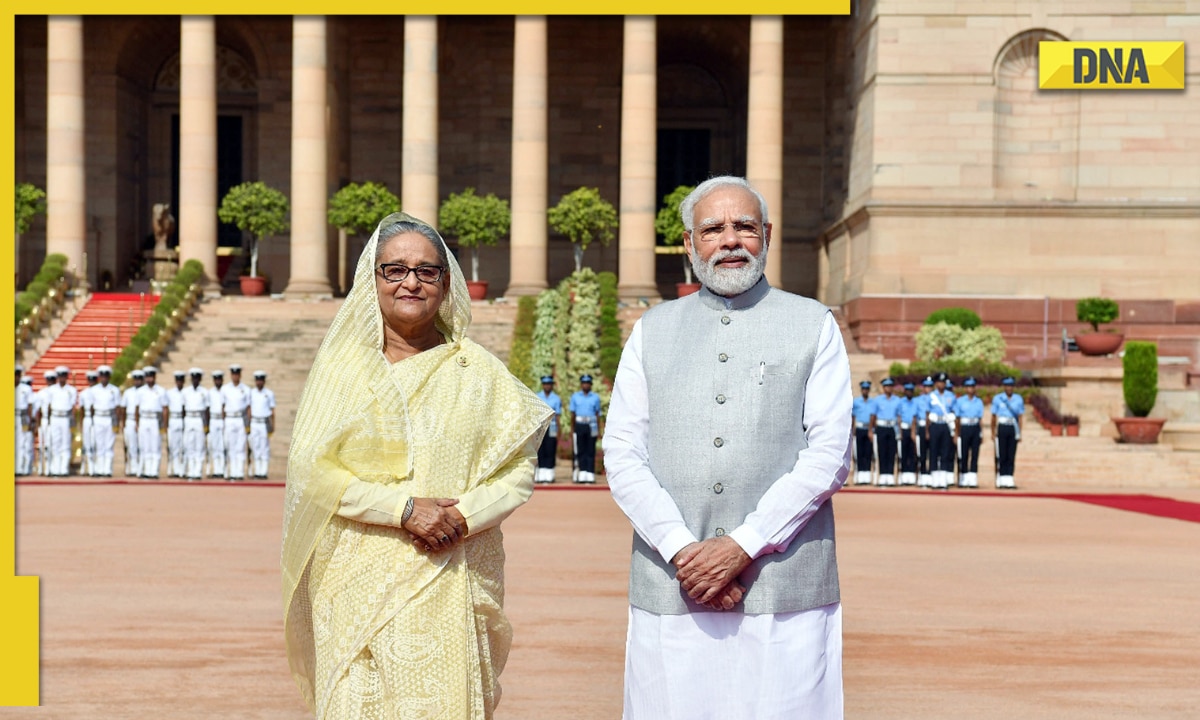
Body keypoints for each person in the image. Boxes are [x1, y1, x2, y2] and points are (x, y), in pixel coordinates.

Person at [283, 212, 552, 718]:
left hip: (451, 568)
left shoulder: (477, 371)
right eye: (395, 270)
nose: (411, 282)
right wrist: (403, 509)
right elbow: (312, 470)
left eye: (427, 272)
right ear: (373, 280)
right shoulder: (343, 373)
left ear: (446, 284)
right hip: (356, 581)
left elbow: (517, 468)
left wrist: (462, 516)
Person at [605, 176, 851, 718]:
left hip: (782, 583)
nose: (730, 240)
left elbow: (830, 453)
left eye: (744, 227)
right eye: (713, 229)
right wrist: (681, 550)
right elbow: (622, 452)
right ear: (690, 245)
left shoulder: (813, 324)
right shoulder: (651, 329)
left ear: (766, 235)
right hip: (673, 580)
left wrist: (743, 544)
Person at [924, 372, 956, 490]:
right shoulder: (931, 396)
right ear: (936, 383)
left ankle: (943, 480)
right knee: (933, 452)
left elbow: (954, 412)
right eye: (939, 382)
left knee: (945, 452)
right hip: (935, 425)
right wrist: (927, 431)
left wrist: (955, 431)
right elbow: (927, 414)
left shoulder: (950, 396)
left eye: (943, 382)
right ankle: (934, 480)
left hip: (945, 425)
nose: (941, 384)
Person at [991, 377, 1024, 489]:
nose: (1009, 388)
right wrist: (993, 431)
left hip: (1013, 426)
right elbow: (993, 416)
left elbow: (1020, 417)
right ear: (1004, 387)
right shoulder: (998, 398)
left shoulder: (1018, 399)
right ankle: (1001, 478)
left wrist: (1019, 432)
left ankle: (1009, 478)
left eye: (1011, 386)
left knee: (1011, 454)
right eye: (1007, 386)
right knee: (1002, 453)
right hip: (1002, 426)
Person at [135, 366, 168, 478]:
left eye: (151, 377)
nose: (149, 379)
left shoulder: (161, 391)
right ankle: (147, 470)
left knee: (155, 446)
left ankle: (154, 471)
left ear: (155, 377)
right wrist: (137, 423)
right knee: (145, 446)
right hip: (144, 418)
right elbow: (137, 408)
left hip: (155, 419)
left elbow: (165, 409)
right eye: (147, 377)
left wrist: (164, 424)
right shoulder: (140, 391)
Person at [45, 366, 78, 477]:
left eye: (64, 376)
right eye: (60, 376)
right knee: (55, 443)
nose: (61, 378)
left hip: (65, 418)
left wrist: (73, 422)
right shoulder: (51, 389)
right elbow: (49, 406)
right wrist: (49, 421)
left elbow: (73, 407)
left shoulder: (71, 390)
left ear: (67, 377)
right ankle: (56, 469)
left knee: (66, 443)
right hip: (55, 417)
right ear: (57, 377)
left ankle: (64, 469)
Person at [569, 374, 602, 484]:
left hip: (591, 425)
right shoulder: (575, 396)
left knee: (590, 450)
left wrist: (599, 429)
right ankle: (582, 473)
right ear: (581, 384)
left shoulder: (595, 397)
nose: (586, 385)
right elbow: (572, 414)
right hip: (579, 424)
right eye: (584, 383)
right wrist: (572, 428)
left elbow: (597, 414)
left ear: (591, 385)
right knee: (581, 449)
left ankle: (590, 473)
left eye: (588, 383)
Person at [870, 377, 902, 486]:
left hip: (892, 427)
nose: (888, 388)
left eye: (890, 386)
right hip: (881, 427)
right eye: (886, 386)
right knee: (882, 451)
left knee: (892, 452)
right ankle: (883, 475)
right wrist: (871, 429)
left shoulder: (897, 400)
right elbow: (873, 416)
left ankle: (890, 475)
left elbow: (898, 417)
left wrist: (900, 431)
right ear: (883, 388)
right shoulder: (878, 400)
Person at [953, 377, 984, 488]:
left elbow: (980, 419)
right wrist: (957, 433)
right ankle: (963, 477)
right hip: (964, 427)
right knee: (963, 453)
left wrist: (981, 433)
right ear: (965, 388)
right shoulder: (960, 401)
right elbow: (957, 419)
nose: (970, 389)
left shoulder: (979, 401)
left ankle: (973, 478)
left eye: (972, 387)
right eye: (968, 387)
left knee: (975, 454)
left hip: (975, 427)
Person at [91, 366, 122, 477]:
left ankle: (107, 469)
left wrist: (117, 422)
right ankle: (99, 469)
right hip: (98, 417)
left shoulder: (114, 390)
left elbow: (118, 407)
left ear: (109, 377)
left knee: (109, 444)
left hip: (110, 417)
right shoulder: (94, 390)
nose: (104, 378)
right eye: (102, 376)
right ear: (99, 377)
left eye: (106, 376)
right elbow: (91, 407)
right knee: (99, 444)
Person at [222, 364, 251, 480]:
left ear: (240, 375)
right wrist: (223, 422)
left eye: (237, 374)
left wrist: (248, 424)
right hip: (229, 418)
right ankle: (232, 471)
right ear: (231, 375)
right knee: (231, 446)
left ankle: (239, 472)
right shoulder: (225, 389)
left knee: (240, 446)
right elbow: (222, 406)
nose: (235, 377)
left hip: (240, 419)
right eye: (233, 374)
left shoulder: (246, 389)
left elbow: (249, 408)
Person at [181, 368, 210, 480]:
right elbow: (183, 408)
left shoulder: (204, 392)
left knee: (199, 446)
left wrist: (206, 425)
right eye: (193, 378)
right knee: (189, 445)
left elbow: (207, 409)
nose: (195, 380)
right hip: (189, 417)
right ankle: (190, 470)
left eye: (197, 378)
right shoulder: (185, 391)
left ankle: (197, 471)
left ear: (200, 379)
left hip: (199, 418)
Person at [534, 376, 563, 483]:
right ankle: (541, 472)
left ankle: (549, 473)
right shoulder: (537, 396)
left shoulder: (556, 398)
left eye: (549, 384)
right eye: (545, 384)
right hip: (541, 426)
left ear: (552, 386)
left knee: (550, 449)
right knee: (540, 449)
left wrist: (559, 430)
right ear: (543, 385)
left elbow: (558, 415)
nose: (547, 386)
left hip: (552, 426)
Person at [248, 370, 276, 479]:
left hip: (264, 423)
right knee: (256, 447)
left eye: (261, 380)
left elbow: (272, 411)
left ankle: (263, 472)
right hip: (254, 422)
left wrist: (273, 425)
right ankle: (257, 471)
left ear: (264, 381)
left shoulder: (269, 393)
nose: (259, 382)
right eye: (257, 380)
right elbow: (249, 409)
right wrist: (249, 424)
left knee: (265, 447)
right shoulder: (251, 393)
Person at [120, 369, 144, 477]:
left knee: (142, 445)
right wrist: (123, 423)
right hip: (130, 420)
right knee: (131, 446)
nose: (137, 381)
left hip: (143, 420)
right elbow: (123, 409)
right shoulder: (128, 392)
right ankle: (132, 467)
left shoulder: (145, 391)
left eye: (139, 379)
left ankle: (141, 467)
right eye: (136, 379)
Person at [897, 382, 919, 485]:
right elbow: (899, 417)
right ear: (905, 392)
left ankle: (911, 474)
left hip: (912, 430)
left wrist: (913, 432)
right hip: (904, 429)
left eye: (911, 391)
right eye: (908, 391)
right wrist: (900, 432)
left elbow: (915, 417)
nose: (909, 393)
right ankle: (904, 475)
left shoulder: (915, 402)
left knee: (912, 453)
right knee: (903, 453)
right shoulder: (901, 402)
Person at [35, 370, 57, 475]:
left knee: (52, 445)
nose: (50, 382)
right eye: (49, 380)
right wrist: (37, 425)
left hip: (54, 420)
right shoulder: (42, 393)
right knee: (41, 446)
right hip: (44, 420)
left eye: (52, 379)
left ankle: (50, 468)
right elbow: (38, 410)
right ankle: (40, 468)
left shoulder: (58, 392)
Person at [166, 370, 187, 477]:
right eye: (178, 380)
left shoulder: (187, 392)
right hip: (173, 419)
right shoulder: (169, 393)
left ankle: (181, 469)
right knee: (173, 446)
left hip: (183, 419)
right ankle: (173, 469)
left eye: (181, 380)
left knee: (183, 446)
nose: (179, 382)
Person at [852, 380, 874, 485]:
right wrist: (853, 429)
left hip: (868, 429)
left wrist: (871, 429)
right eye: (864, 389)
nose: (865, 390)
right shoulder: (856, 402)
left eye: (867, 389)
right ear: (861, 390)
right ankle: (860, 474)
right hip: (859, 428)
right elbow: (853, 416)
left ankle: (867, 474)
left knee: (868, 452)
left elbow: (873, 417)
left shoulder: (872, 402)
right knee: (859, 452)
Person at [207, 370, 227, 478]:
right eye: (216, 379)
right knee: (214, 446)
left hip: (223, 420)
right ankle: (216, 470)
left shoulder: (226, 391)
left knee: (223, 445)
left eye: (219, 379)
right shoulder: (210, 392)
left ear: (222, 380)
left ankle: (223, 470)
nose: (218, 381)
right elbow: (208, 408)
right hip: (213, 419)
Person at [15, 367, 34, 476]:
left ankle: (19, 469)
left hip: (22, 417)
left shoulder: (26, 388)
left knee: (21, 443)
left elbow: (30, 405)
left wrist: (30, 420)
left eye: (17, 376)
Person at [79, 370, 99, 475]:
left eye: (93, 380)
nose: (91, 382)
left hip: (97, 418)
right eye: (90, 380)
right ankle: (87, 466)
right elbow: (81, 409)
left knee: (95, 442)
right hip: (87, 418)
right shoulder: (84, 393)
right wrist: (81, 423)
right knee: (86, 443)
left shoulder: (100, 391)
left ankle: (96, 467)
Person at [916, 376, 933, 486]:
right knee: (922, 453)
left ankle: (931, 475)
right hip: (921, 426)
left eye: (930, 386)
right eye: (926, 386)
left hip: (933, 426)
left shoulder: (935, 399)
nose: (928, 388)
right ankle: (922, 475)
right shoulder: (918, 400)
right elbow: (914, 416)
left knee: (932, 453)